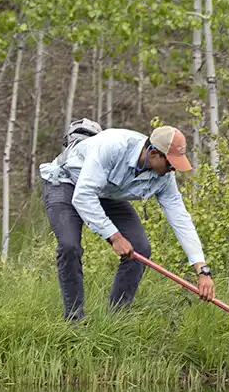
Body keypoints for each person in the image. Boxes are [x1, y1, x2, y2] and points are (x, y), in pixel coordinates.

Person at [39, 125, 215, 321]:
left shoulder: (165, 177)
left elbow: (180, 218)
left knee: (140, 248)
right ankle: (75, 321)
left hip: (105, 191)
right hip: (65, 182)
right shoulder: (114, 146)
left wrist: (202, 269)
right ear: (154, 153)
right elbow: (83, 196)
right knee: (69, 246)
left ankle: (115, 321)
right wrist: (114, 237)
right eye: (171, 164)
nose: (173, 170)